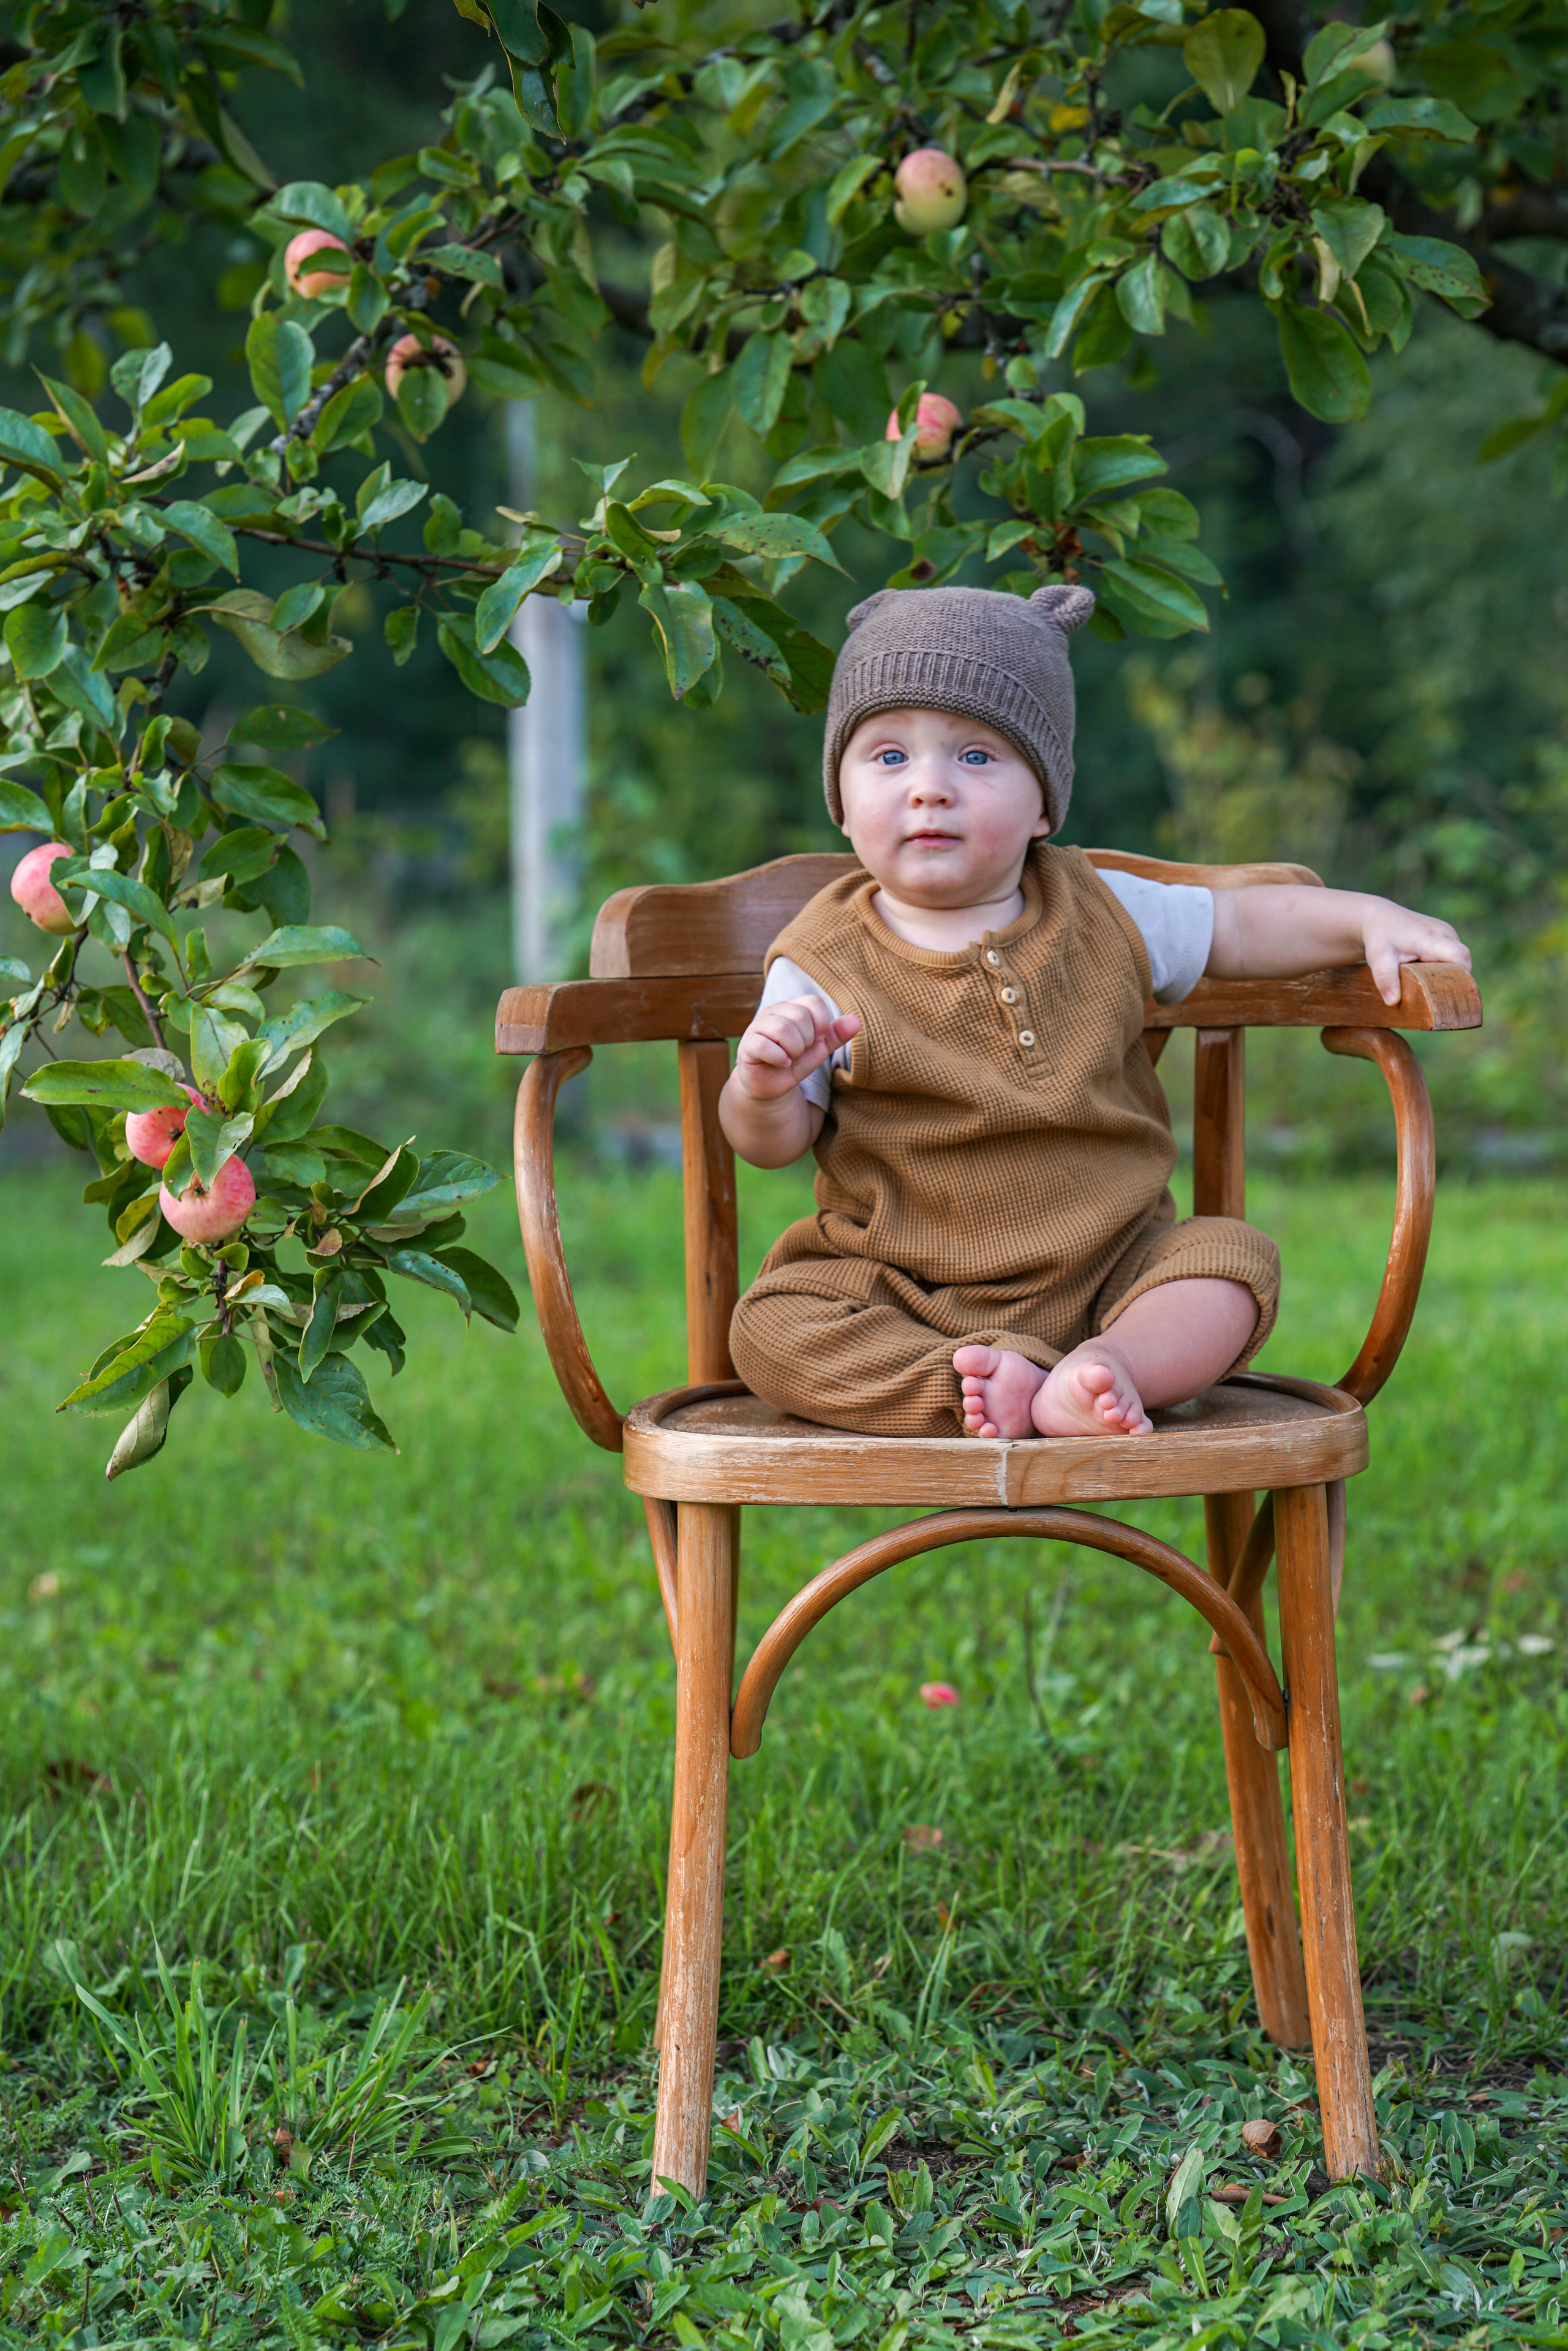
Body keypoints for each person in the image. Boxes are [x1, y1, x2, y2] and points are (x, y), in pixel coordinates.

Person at [719, 584, 1470, 1443]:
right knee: (773, 1329)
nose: (929, 789)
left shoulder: (1101, 907)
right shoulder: (819, 959)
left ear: (1044, 800)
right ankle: (974, 1385)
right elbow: (766, 1143)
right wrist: (765, 1084)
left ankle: (1107, 1369)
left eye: (975, 757)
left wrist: (1366, 917)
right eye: (889, 757)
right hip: (905, 1286)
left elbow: (1242, 921)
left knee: (1231, 1263)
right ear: (842, 803)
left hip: (1115, 1269)